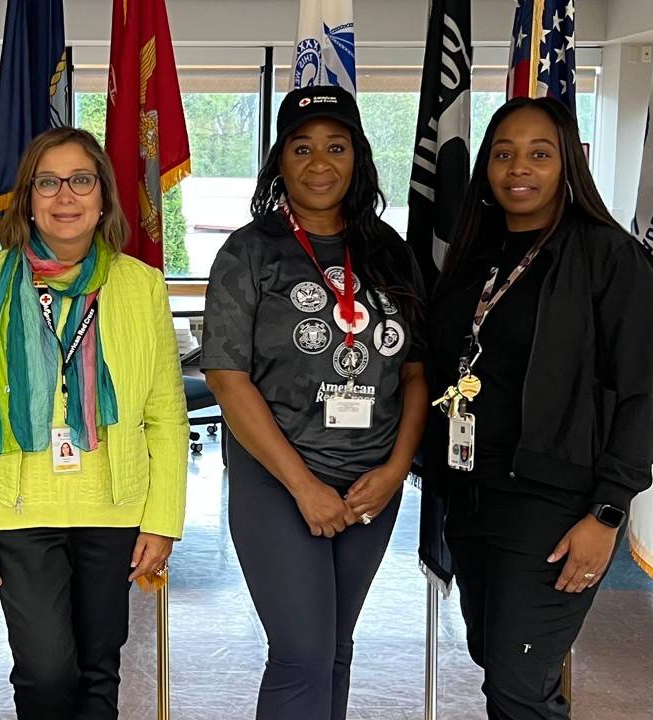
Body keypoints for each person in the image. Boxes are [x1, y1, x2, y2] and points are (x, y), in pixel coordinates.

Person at [423, 97, 653, 719]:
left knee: (517, 684)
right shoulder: (475, 257)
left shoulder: (610, 258)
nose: (518, 168)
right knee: (499, 661)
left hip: (554, 506)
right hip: (473, 494)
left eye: (539, 153)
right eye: (503, 154)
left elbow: (644, 399)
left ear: (569, 165)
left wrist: (607, 514)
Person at [0, 127, 187, 720]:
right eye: (47, 182)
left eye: (81, 180)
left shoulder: (140, 284)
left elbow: (165, 412)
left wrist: (164, 519)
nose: (65, 196)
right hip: (20, 506)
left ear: (102, 197)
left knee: (100, 670)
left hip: (117, 505)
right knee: (46, 671)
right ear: (27, 198)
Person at [200, 85, 428, 720]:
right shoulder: (250, 251)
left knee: (334, 648)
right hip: (278, 478)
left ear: (358, 157)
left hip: (370, 485)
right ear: (280, 161)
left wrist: (393, 473)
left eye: (336, 146)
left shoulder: (389, 250)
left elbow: (415, 374)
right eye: (302, 148)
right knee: (301, 651)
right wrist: (303, 486)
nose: (320, 162)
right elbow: (226, 378)